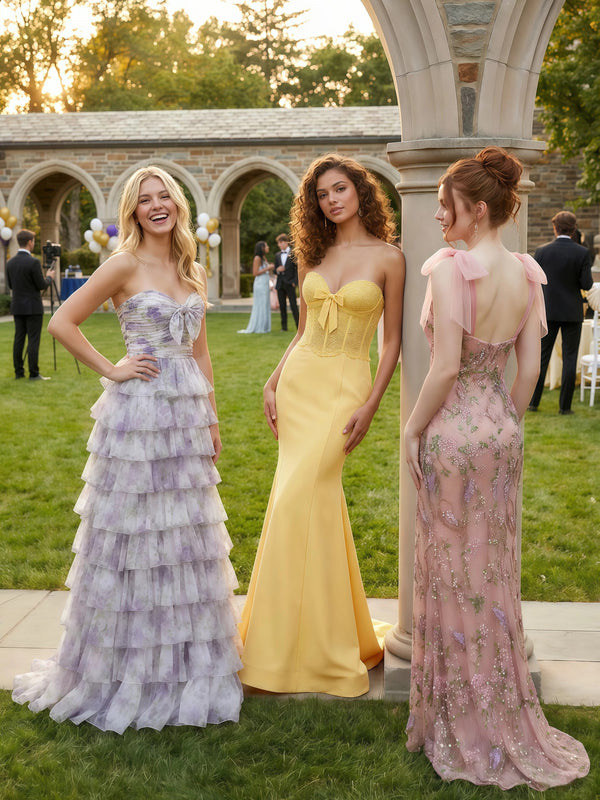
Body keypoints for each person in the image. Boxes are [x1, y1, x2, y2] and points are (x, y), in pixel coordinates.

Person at [12, 165, 243, 732]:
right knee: (135, 534)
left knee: (182, 536)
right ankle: (123, 668)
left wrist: (211, 417)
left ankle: (183, 666)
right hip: (138, 415)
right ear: (133, 211)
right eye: (145, 199)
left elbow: (201, 351)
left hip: (185, 414)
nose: (157, 205)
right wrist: (112, 369)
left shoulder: (192, 268)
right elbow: (63, 321)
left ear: (178, 205)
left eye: (165, 196)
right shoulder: (123, 264)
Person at [404, 147, 589, 789]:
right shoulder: (527, 273)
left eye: (446, 205)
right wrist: (501, 423)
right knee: (491, 569)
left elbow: (445, 367)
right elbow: (530, 370)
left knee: (454, 571)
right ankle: (494, 705)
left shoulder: (452, 269)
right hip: (501, 430)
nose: (439, 215)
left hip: (454, 428)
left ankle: (463, 720)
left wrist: (413, 427)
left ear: (477, 210)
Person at [239, 154, 405, 697]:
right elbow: (301, 334)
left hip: (346, 387)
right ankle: (297, 641)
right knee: (302, 501)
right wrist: (271, 381)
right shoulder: (313, 255)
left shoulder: (390, 258)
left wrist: (372, 404)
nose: (332, 200)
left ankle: (308, 645)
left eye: (340, 189)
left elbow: (393, 343)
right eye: (322, 194)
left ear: (361, 191)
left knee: (301, 497)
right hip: (300, 384)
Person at [528, 210, 593, 414]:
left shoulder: (542, 251)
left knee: (542, 357)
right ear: (574, 230)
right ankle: (565, 407)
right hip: (572, 313)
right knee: (570, 358)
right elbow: (587, 284)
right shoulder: (582, 253)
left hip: (548, 311)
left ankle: (533, 403)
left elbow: (534, 282)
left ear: (555, 228)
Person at [6, 229, 56, 380]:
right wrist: (49, 277)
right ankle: (34, 373)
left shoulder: (10, 262)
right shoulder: (33, 262)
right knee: (33, 340)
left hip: (18, 306)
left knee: (19, 339)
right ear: (29, 242)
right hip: (33, 307)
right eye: (33, 241)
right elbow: (41, 285)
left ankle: (18, 372)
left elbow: (11, 285)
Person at [238, 241, 273, 334]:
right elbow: (255, 273)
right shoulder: (257, 258)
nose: (268, 247)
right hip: (260, 284)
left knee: (265, 304)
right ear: (262, 248)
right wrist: (268, 268)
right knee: (260, 304)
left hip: (265, 283)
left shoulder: (264, 258)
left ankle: (265, 327)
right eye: (266, 246)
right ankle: (259, 326)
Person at [274, 232, 299, 331]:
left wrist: (294, 282)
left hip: (290, 283)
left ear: (286, 242)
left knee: (293, 306)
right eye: (278, 243)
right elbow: (275, 269)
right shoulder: (277, 255)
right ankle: (284, 327)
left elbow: (298, 269)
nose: (279, 245)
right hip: (280, 284)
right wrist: (277, 270)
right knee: (282, 306)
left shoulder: (294, 253)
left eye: (280, 242)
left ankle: (298, 327)